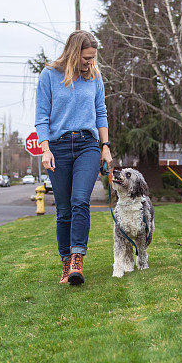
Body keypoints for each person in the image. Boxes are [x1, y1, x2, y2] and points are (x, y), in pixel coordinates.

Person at [35, 30, 113, 285]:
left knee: (80, 200)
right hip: (57, 147)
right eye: (87, 57)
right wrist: (45, 149)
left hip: (87, 145)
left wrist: (105, 146)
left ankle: (77, 260)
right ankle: (65, 263)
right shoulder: (49, 75)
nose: (90, 62)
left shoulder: (94, 78)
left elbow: (100, 112)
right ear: (73, 52)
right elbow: (42, 116)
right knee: (64, 209)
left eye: (93, 58)